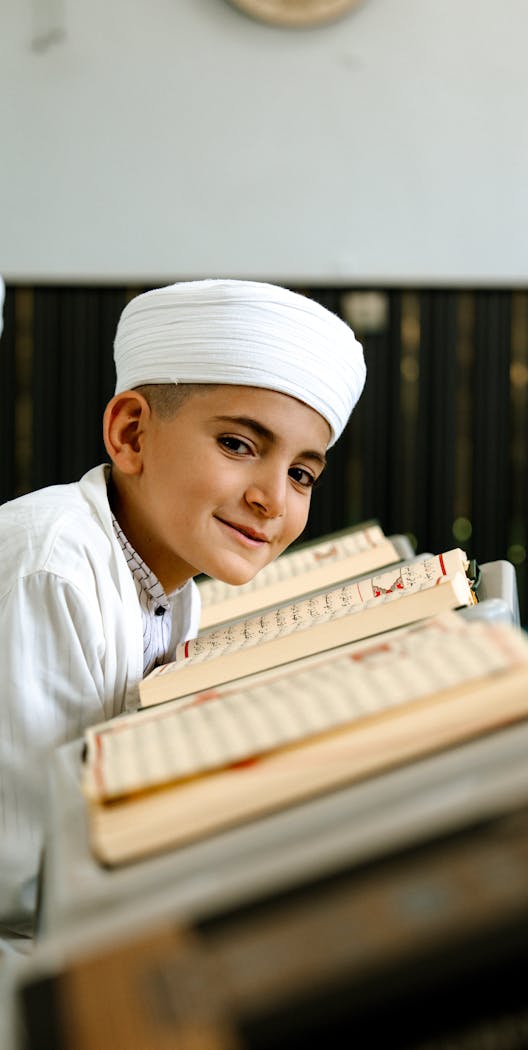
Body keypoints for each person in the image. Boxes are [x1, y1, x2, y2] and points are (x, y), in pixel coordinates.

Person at [0, 279, 366, 951]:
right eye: (238, 445)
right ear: (131, 433)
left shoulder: (172, 588)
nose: (271, 500)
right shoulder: (51, 568)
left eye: (302, 475)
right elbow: (20, 884)